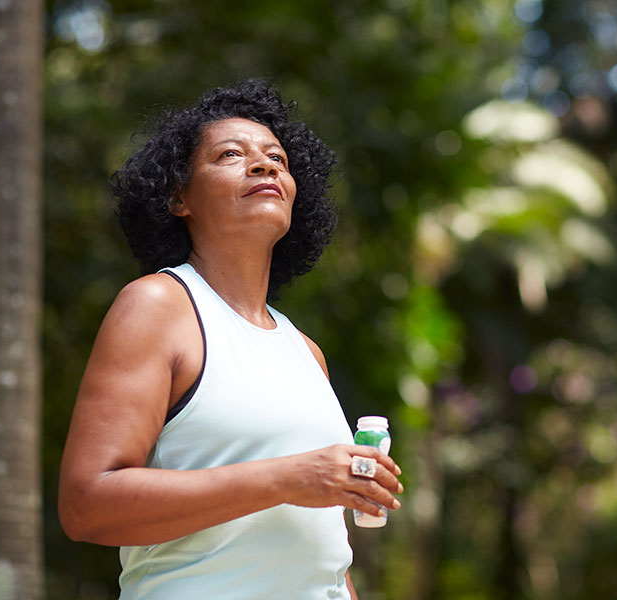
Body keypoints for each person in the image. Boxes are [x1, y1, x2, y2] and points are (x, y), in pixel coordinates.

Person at [58, 79, 403, 600]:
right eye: (230, 155)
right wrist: (289, 477)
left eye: (277, 159)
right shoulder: (159, 306)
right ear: (179, 196)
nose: (265, 166)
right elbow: (87, 505)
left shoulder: (305, 351)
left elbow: (324, 553)